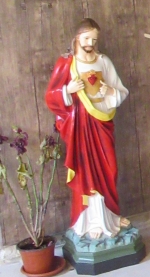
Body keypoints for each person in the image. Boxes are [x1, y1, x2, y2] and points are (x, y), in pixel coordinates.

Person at [45, 19, 130, 239]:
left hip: (102, 123)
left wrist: (110, 91)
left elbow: (121, 90)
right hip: (80, 127)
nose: (90, 43)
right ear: (76, 38)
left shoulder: (104, 61)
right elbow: (50, 96)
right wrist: (68, 90)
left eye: (94, 39)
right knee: (86, 171)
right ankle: (90, 220)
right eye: (86, 38)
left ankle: (110, 215)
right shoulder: (66, 64)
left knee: (109, 169)